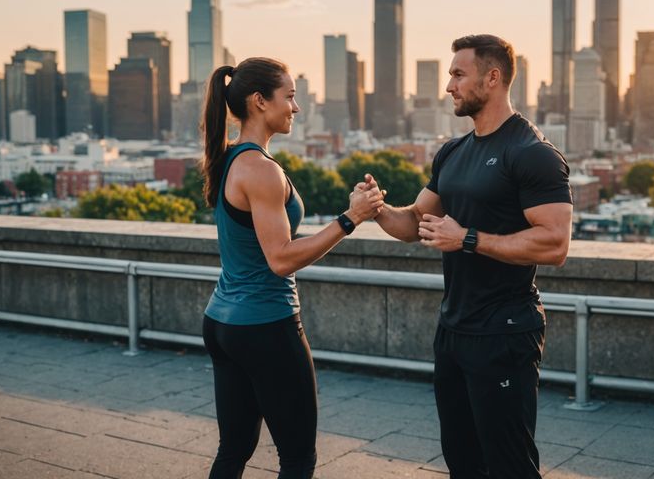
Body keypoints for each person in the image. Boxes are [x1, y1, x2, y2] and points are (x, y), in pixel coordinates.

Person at [365, 35, 572, 478]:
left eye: (458, 74)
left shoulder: (532, 153)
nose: (449, 86)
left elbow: (555, 244)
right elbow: (416, 220)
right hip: (454, 330)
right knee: (462, 461)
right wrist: (377, 210)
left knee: (510, 465)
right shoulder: (453, 152)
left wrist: (469, 239)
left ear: (492, 78)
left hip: (504, 332)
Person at [199, 57, 384, 479]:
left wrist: (351, 213)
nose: (296, 108)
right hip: (266, 326)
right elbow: (280, 259)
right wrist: (349, 219)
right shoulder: (262, 171)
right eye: (291, 96)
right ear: (260, 101)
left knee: (233, 450)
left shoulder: (230, 157)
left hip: (223, 323)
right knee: (298, 459)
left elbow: (267, 242)